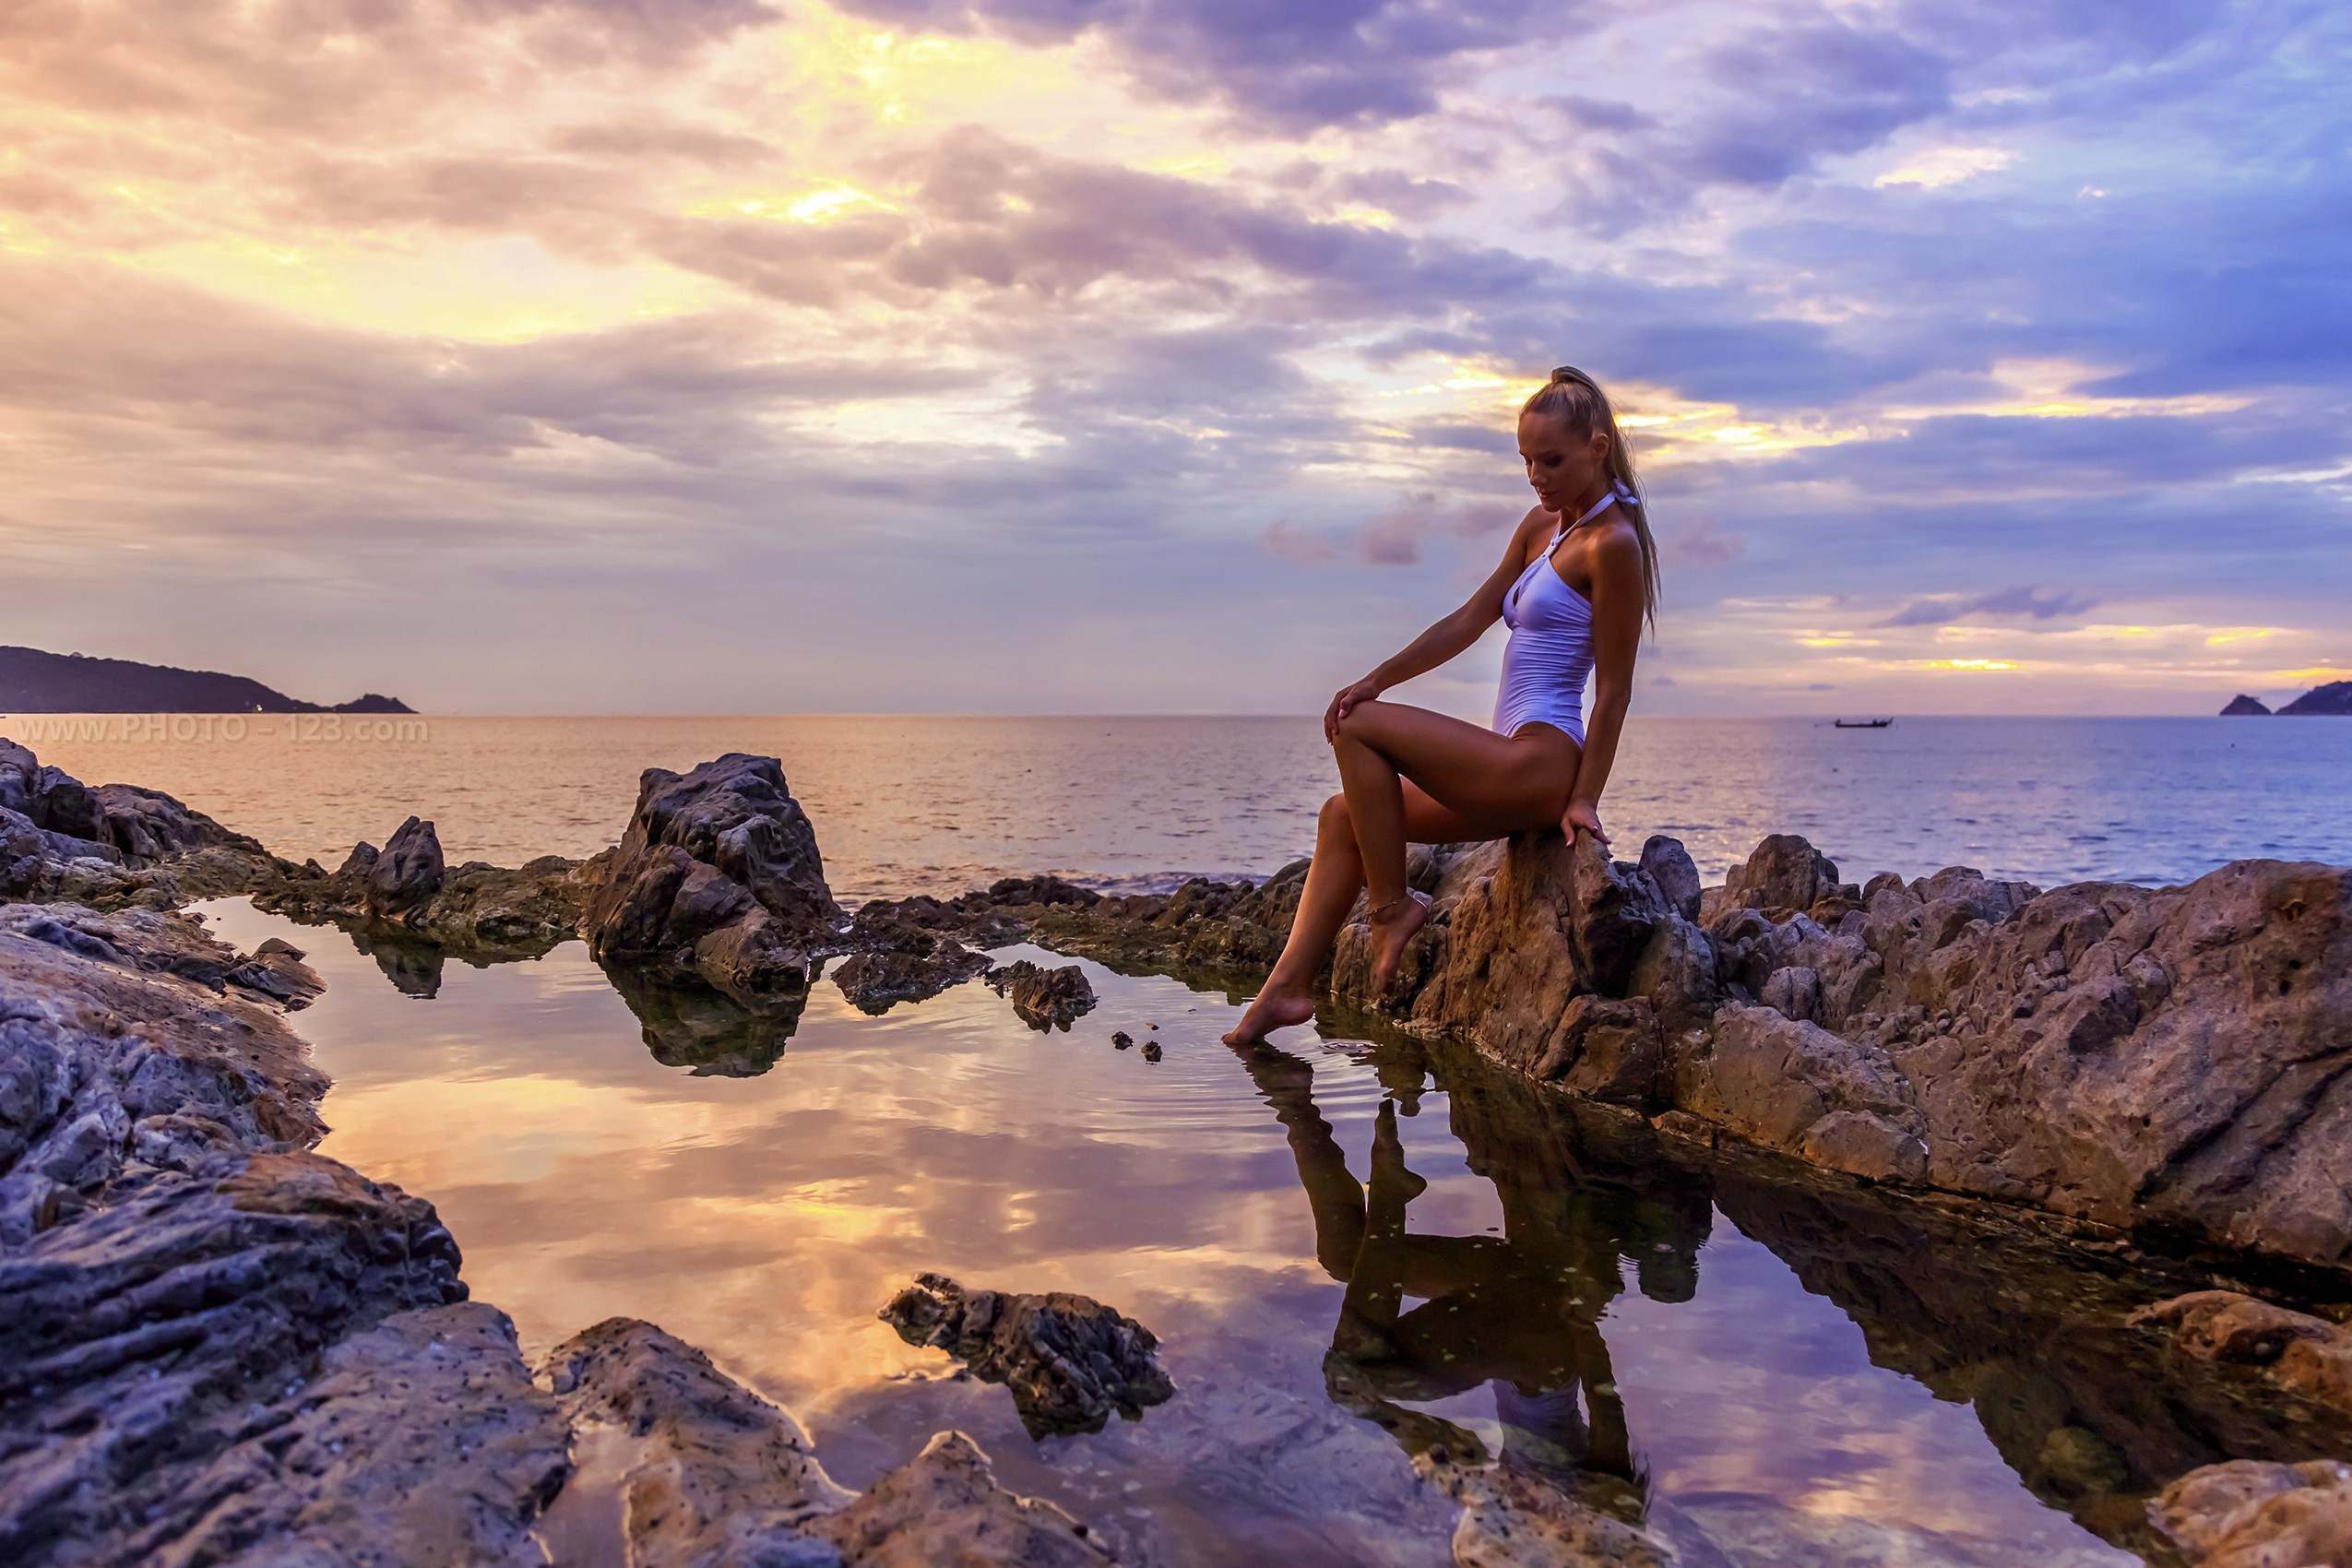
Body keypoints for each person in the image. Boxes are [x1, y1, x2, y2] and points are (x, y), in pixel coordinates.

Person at [1223, 365, 1659, 1046]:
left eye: (1552, 460)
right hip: (1505, 760)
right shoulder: (1540, 528)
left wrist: (1585, 798)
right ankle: (1285, 992)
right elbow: (1467, 620)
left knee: (1358, 729)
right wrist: (1379, 677)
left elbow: (1615, 689)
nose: (1536, 475)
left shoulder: (1615, 544)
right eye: (1526, 461)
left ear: (1598, 448)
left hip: (1542, 763)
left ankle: (1393, 910)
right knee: (1343, 814)